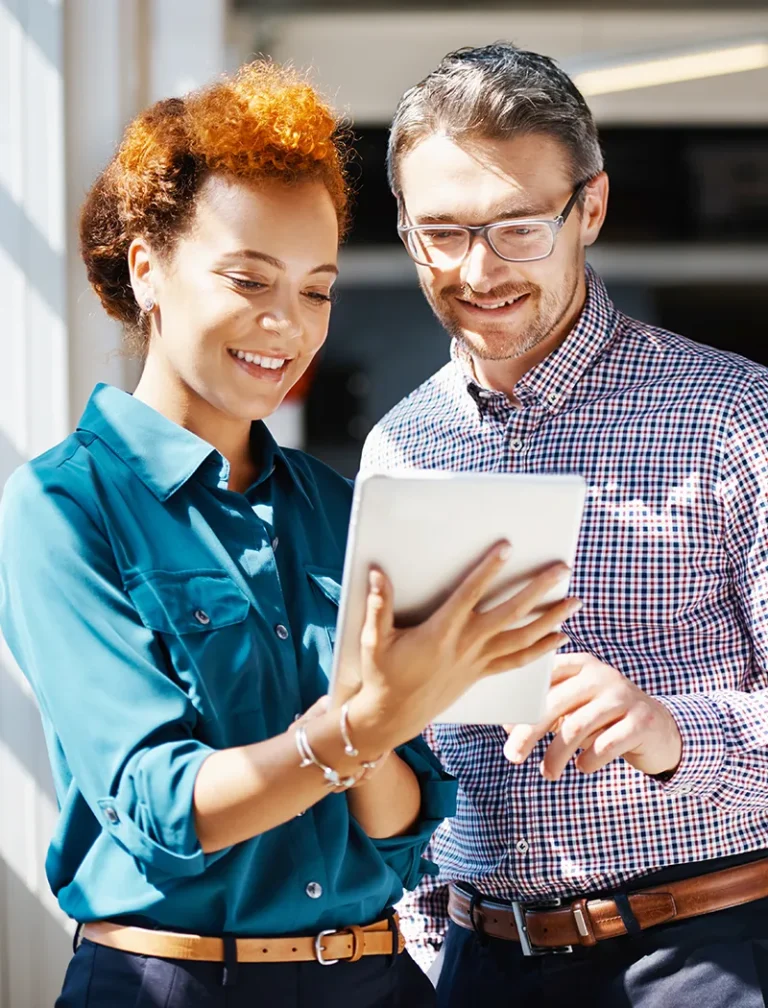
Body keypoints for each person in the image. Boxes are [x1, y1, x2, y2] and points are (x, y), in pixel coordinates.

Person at [0, 61, 575, 1008]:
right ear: (148, 266)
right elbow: (164, 809)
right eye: (248, 278)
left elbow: (395, 826)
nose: (287, 324)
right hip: (173, 984)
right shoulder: (65, 508)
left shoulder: (339, 505)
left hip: (379, 982)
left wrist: (398, 713)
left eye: (316, 289)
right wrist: (365, 722)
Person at [362, 42, 768, 1007]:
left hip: (706, 954)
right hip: (477, 964)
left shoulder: (735, 417)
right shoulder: (398, 449)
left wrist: (671, 729)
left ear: (590, 207)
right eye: (442, 233)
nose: (478, 269)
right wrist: (430, 937)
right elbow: (411, 739)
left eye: (517, 229)